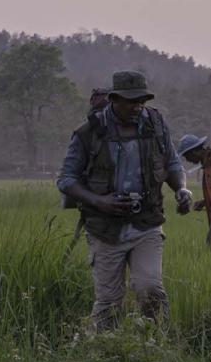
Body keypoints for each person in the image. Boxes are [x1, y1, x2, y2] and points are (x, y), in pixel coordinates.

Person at [57, 71, 194, 330]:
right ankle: (103, 353)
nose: (137, 107)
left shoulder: (155, 124)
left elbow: (173, 163)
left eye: (141, 101)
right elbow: (66, 179)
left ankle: (158, 347)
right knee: (109, 301)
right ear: (113, 99)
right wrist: (99, 201)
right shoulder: (88, 132)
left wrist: (182, 190)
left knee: (150, 288)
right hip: (105, 229)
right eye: (131, 101)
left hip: (147, 223)